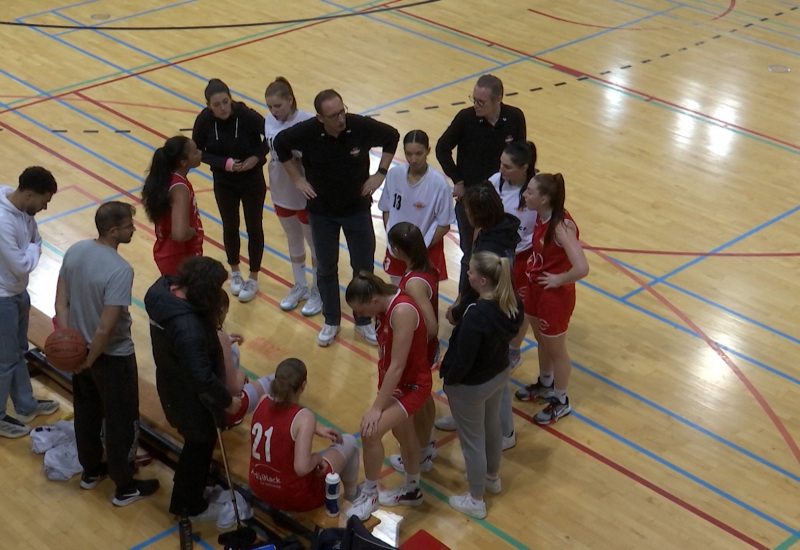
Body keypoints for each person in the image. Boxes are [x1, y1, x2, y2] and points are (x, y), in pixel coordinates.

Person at [272, 89, 400, 347]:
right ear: (320, 118)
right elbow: (280, 144)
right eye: (333, 115)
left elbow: (392, 136)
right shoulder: (307, 131)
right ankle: (332, 320)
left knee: (363, 269)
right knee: (326, 268)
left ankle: (364, 321)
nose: (340, 119)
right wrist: (297, 179)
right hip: (322, 213)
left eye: (342, 112)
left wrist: (380, 174)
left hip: (357, 210)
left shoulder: (359, 126)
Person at [55, 201, 160, 506]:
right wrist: (89, 357)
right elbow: (106, 327)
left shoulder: (75, 250)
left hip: (80, 354)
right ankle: (124, 487)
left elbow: (61, 304)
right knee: (122, 421)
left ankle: (91, 472)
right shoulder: (119, 269)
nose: (133, 229)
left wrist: (69, 345)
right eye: (129, 225)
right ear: (114, 231)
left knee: (86, 413)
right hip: (112, 357)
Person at [144, 256, 241, 522]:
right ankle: (187, 504)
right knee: (199, 444)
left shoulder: (162, 292)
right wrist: (226, 402)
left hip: (171, 382)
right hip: (190, 398)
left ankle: (190, 487)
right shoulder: (188, 327)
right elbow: (202, 379)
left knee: (195, 445)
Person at [436, 183, 520, 450]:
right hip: (487, 308)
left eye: (467, 208)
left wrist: (460, 310)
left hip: (488, 314)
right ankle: (471, 418)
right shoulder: (497, 228)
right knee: (493, 370)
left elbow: (480, 286)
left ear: (477, 213)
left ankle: (505, 432)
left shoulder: (491, 247)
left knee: (493, 371)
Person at [440, 251, 523, 519]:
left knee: (472, 441)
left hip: (471, 386)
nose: (467, 274)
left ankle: (476, 499)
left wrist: (449, 379)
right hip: (498, 375)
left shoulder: (476, 314)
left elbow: (464, 358)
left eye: (472, 272)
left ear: (484, 280)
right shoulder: (512, 304)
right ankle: (492, 479)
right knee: (492, 428)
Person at [344, 273, 432, 521]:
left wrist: (376, 407)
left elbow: (397, 366)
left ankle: (370, 494)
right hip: (396, 384)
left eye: (361, 309)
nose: (359, 315)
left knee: (370, 431)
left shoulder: (401, 311)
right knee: (403, 433)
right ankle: (412, 489)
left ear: (373, 300)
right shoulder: (382, 307)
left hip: (411, 385)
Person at [436, 74, 526, 291]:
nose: (475, 105)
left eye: (481, 102)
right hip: (471, 202)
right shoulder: (465, 119)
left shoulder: (515, 118)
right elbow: (442, 148)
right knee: (471, 255)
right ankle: (465, 304)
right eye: (474, 99)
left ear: (498, 100)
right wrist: (457, 180)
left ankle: (499, 302)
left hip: (504, 201)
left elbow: (522, 155)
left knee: (502, 256)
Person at [515, 173, 589, 424]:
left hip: (555, 296)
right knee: (541, 341)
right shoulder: (541, 215)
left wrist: (558, 279)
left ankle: (561, 399)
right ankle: (545, 384)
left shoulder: (560, 226)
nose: (525, 194)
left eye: (530, 192)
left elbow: (582, 267)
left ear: (544, 198)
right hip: (536, 287)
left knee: (556, 349)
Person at [249, 358, 360, 512]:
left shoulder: (262, 401)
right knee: (349, 442)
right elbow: (301, 468)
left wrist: (313, 428)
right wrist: (317, 458)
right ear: (303, 385)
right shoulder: (304, 417)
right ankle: (352, 500)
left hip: (259, 486)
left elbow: (278, 424)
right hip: (294, 497)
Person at [192, 78, 268, 303]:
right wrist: (223, 163)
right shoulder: (204, 121)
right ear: (208, 105)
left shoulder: (247, 116)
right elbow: (198, 151)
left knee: (254, 225)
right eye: (217, 104)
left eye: (226, 101)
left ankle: (253, 276)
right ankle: (235, 271)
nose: (223, 107)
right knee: (230, 224)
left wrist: (256, 157)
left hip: (252, 179)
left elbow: (270, 137)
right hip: (224, 181)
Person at [0, 167, 59, 438]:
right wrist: (33, 248)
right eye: (44, 202)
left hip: (17, 294)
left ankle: (25, 405)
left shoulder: (23, 210)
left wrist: (32, 246)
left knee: (18, 352)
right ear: (28, 194)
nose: (45, 208)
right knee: (5, 360)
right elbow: (23, 264)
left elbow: (36, 238)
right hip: (3, 299)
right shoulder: (3, 221)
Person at [264, 77, 322, 316]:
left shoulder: (307, 121)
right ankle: (300, 285)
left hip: (304, 194)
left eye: (277, 106)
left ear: (290, 100)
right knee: (293, 239)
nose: (273, 111)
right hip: (280, 190)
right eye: (269, 106)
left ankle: (319, 290)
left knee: (314, 244)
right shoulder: (268, 120)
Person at [384, 223, 439, 474]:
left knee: (416, 402)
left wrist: (410, 343)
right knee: (426, 398)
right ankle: (426, 449)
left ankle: (420, 455)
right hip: (425, 349)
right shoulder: (423, 267)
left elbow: (432, 326)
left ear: (396, 249)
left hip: (419, 351)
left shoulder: (414, 282)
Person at [378, 130, 454, 285]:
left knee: (423, 298)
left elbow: (444, 224)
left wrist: (419, 248)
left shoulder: (439, 184)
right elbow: (386, 209)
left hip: (425, 251)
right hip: (397, 250)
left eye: (418, 153)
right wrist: (393, 240)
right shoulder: (394, 175)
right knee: (399, 295)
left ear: (428, 151)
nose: (413, 159)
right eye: (408, 154)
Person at [487, 141, 538, 369]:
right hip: (496, 252)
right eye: (501, 164)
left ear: (524, 167)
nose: (501, 170)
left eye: (507, 167)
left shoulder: (536, 191)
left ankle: (513, 350)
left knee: (519, 304)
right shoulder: (495, 182)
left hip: (523, 256)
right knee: (494, 300)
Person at [142, 135, 204, 276]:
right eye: (195, 152)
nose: (200, 152)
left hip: (168, 252)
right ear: (183, 162)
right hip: (180, 257)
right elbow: (179, 234)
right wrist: (194, 231)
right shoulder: (179, 188)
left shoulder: (165, 179)